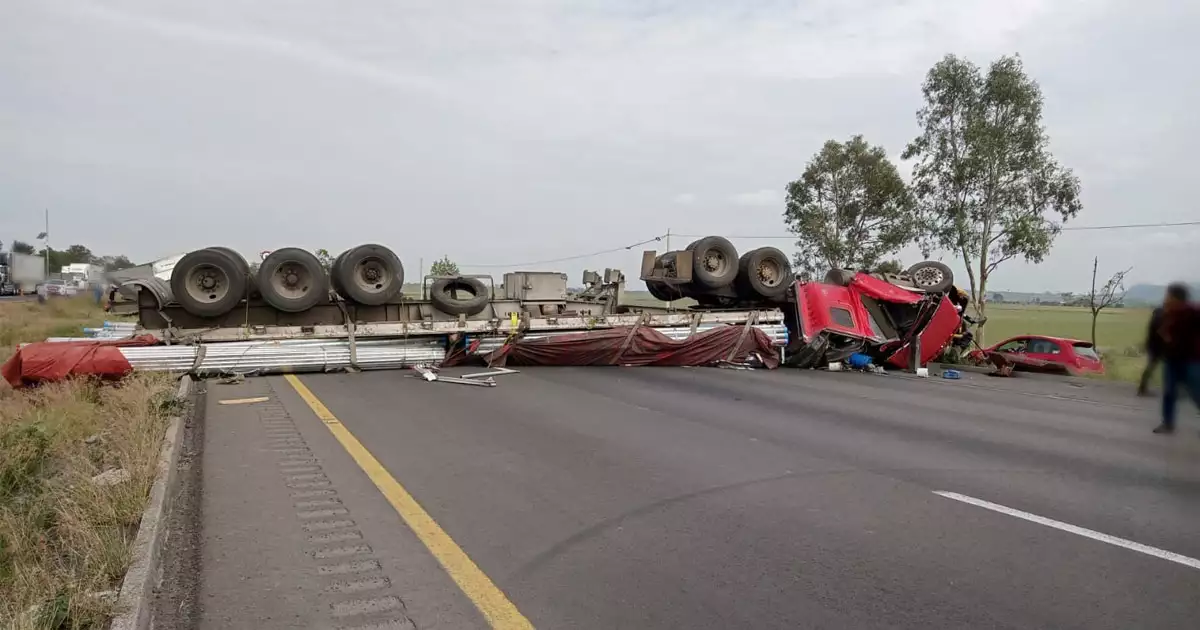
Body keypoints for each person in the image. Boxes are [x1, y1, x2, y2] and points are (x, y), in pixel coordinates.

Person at [1152, 283, 1200, 434]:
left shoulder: (1193, 312)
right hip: (1172, 358)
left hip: (1191, 359)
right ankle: (1168, 423)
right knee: (1169, 392)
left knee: (1196, 392)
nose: (1166, 298)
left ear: (1176, 297)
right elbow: (1164, 332)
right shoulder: (1168, 313)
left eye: (1168, 295)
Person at [1137, 305, 1165, 396]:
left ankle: (1142, 388)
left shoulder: (1154, 320)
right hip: (1157, 347)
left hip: (1153, 347)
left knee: (1151, 367)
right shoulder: (1159, 320)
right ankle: (1142, 388)